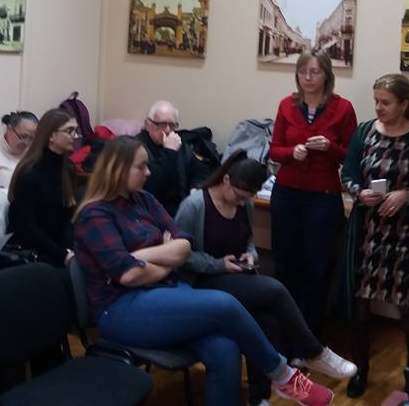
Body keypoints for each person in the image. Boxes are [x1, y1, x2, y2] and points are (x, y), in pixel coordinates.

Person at [74, 137, 334, 406]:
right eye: (141, 167)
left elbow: (184, 245)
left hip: (166, 292)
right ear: (117, 168)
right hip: (120, 309)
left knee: (225, 348)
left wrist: (142, 258)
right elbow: (128, 276)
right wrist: (166, 257)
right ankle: (283, 376)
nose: (149, 172)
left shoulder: (144, 200)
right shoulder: (95, 214)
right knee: (224, 304)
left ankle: (281, 377)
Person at [174, 151, 356, 406]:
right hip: (202, 282)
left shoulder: (244, 204)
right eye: (239, 196)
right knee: (274, 289)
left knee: (267, 319)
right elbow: (181, 256)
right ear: (226, 181)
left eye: (247, 198)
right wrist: (218, 264)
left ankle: (259, 398)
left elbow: (248, 240)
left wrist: (250, 255)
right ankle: (313, 351)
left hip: (235, 279)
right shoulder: (195, 206)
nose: (242, 203)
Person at [341, 74, 409, 398]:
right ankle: (360, 370)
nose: (379, 107)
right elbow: (348, 173)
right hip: (368, 232)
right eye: (376, 101)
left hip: (404, 235)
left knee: (407, 306)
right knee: (360, 304)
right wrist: (360, 193)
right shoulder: (364, 132)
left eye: (385, 102)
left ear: (404, 104)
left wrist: (408, 194)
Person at [268, 52, 357, 335]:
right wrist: (291, 153)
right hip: (287, 194)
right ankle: (285, 328)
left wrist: (330, 148)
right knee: (285, 262)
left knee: (317, 266)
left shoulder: (343, 108)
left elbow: (353, 156)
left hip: (322, 195)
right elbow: (274, 150)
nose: (308, 78)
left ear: (327, 75)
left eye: (315, 72)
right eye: (303, 72)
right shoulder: (287, 105)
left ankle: (310, 333)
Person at [7, 108, 78, 266]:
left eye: (75, 131)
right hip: (32, 252)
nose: (75, 136)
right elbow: (27, 228)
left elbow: (68, 217)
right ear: (51, 136)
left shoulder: (68, 169)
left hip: (60, 250)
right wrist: (62, 255)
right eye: (69, 131)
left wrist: (68, 250)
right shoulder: (29, 173)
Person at [136, 99, 213, 217]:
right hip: (151, 212)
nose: (167, 130)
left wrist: (196, 187)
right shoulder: (137, 147)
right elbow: (149, 185)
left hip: (180, 208)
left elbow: (201, 170)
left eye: (172, 125)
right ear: (147, 125)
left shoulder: (178, 144)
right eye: (161, 124)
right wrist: (169, 151)